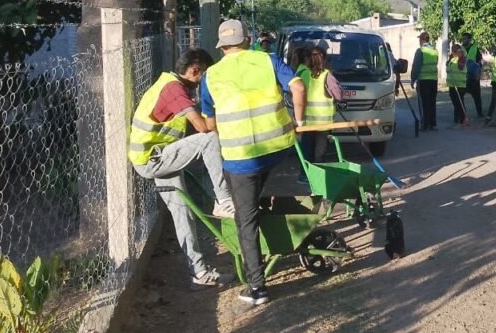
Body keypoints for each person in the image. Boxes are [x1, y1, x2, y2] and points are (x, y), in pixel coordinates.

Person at [200, 20, 306, 306]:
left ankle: (257, 287)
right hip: (279, 151)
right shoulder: (267, 60)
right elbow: (298, 88)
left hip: (240, 161)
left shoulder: (210, 76)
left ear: (221, 47)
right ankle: (287, 241)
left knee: (246, 220)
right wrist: (299, 121)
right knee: (278, 197)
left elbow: (210, 125)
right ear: (248, 40)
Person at [128, 48, 235, 288]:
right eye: (203, 76)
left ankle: (199, 273)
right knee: (209, 140)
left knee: (183, 214)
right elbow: (201, 128)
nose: (202, 82)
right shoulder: (173, 90)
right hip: (153, 159)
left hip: (157, 157)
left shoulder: (172, 84)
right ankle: (223, 200)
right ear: (195, 70)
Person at [299, 45, 340, 163]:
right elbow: (339, 95)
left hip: (307, 121)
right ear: (324, 59)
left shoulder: (302, 73)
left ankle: (305, 174)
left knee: (307, 147)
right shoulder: (327, 75)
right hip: (324, 122)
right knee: (320, 149)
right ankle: (319, 170)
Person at [410, 31, 439, 131]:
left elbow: (416, 67)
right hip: (433, 80)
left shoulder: (420, 51)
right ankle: (432, 123)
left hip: (423, 80)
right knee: (432, 102)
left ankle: (425, 124)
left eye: (420, 39)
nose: (419, 41)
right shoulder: (435, 51)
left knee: (425, 103)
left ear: (422, 40)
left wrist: (413, 79)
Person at [446, 43, 471, 127]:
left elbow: (460, 67)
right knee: (455, 103)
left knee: (459, 103)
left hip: (459, 85)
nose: (452, 52)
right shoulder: (453, 59)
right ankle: (456, 120)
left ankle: (463, 119)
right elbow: (448, 66)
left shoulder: (461, 58)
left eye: (454, 51)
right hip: (452, 84)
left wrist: (459, 56)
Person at [461, 32, 484, 118]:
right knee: (459, 96)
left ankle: (480, 113)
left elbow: (480, 62)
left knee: (477, 96)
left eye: (465, 39)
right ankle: (461, 114)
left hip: (473, 77)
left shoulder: (475, 48)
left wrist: (479, 74)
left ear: (469, 40)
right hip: (463, 77)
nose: (463, 40)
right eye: (462, 39)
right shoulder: (460, 48)